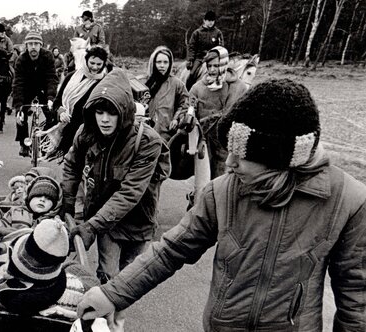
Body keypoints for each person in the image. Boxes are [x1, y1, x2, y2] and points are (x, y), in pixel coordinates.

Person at [76, 78, 366, 332]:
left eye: (242, 155)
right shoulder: (223, 191)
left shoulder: (348, 201)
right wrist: (113, 294)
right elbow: (171, 250)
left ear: (278, 160)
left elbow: (356, 298)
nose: (229, 163)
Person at [62, 69, 168, 285]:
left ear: (125, 111)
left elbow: (130, 192)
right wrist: (67, 203)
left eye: (112, 113)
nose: (104, 120)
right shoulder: (87, 133)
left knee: (130, 282)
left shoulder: (148, 142)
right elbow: (72, 165)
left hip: (138, 221)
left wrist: (91, 227)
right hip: (106, 221)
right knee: (108, 278)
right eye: (99, 112)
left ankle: (116, 318)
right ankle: (106, 318)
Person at [185, 46, 248, 179]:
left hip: (226, 146)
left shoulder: (239, 87)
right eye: (209, 66)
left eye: (216, 65)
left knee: (221, 181)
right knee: (202, 182)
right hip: (203, 143)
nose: (212, 70)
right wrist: (187, 118)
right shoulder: (198, 88)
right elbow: (187, 109)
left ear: (225, 64)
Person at [46, 45, 109, 163]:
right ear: (86, 61)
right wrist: (61, 112)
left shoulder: (104, 82)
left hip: (90, 133)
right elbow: (57, 102)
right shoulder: (71, 76)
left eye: (99, 64)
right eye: (92, 63)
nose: (95, 67)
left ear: (104, 64)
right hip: (68, 130)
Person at [12, 31, 59, 157]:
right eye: (30, 44)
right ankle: (23, 144)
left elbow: (52, 78)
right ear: (26, 46)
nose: (33, 47)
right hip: (27, 88)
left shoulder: (48, 56)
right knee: (20, 115)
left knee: (53, 115)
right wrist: (19, 106)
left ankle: (44, 140)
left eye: (36, 44)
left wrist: (50, 98)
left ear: (41, 45)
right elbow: (18, 84)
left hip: (44, 88)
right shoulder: (21, 60)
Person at [144, 46, 189, 142]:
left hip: (167, 133)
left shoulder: (176, 84)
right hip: (146, 132)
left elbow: (185, 103)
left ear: (170, 64)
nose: (162, 66)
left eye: (165, 62)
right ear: (153, 63)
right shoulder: (146, 83)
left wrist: (176, 119)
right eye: (158, 62)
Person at [186, 10, 224, 90]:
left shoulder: (218, 33)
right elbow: (191, 47)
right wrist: (190, 60)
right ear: (204, 20)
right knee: (192, 74)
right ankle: (188, 92)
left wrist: (214, 55)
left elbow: (221, 46)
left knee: (222, 74)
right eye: (209, 20)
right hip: (200, 58)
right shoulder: (197, 33)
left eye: (212, 20)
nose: (211, 22)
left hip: (213, 58)